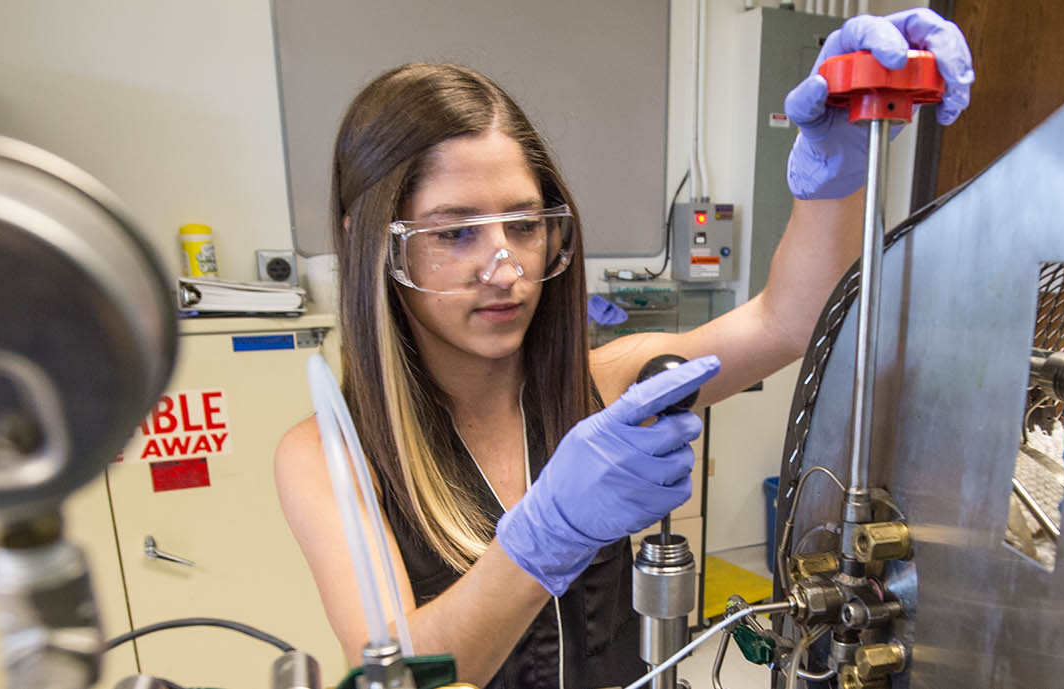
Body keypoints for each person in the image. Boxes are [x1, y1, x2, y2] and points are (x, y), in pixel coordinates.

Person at [274, 9, 974, 688]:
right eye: (455, 232)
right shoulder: (328, 455)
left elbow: (789, 321)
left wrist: (837, 161)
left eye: (523, 224)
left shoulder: (601, 387)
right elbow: (401, 670)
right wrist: (546, 534)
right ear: (376, 244)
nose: (506, 266)